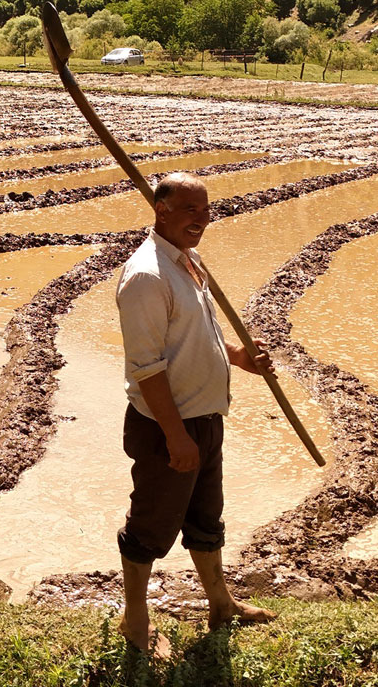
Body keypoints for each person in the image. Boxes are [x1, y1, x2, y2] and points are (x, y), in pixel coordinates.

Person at [114, 172, 276, 657]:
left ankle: (222, 604)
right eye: (189, 210)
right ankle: (135, 622)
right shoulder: (146, 276)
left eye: (206, 210)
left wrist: (236, 356)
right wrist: (175, 436)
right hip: (170, 427)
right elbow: (147, 368)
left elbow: (192, 337)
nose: (201, 220)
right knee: (150, 526)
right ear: (161, 211)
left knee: (206, 519)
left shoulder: (189, 262)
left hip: (205, 418)